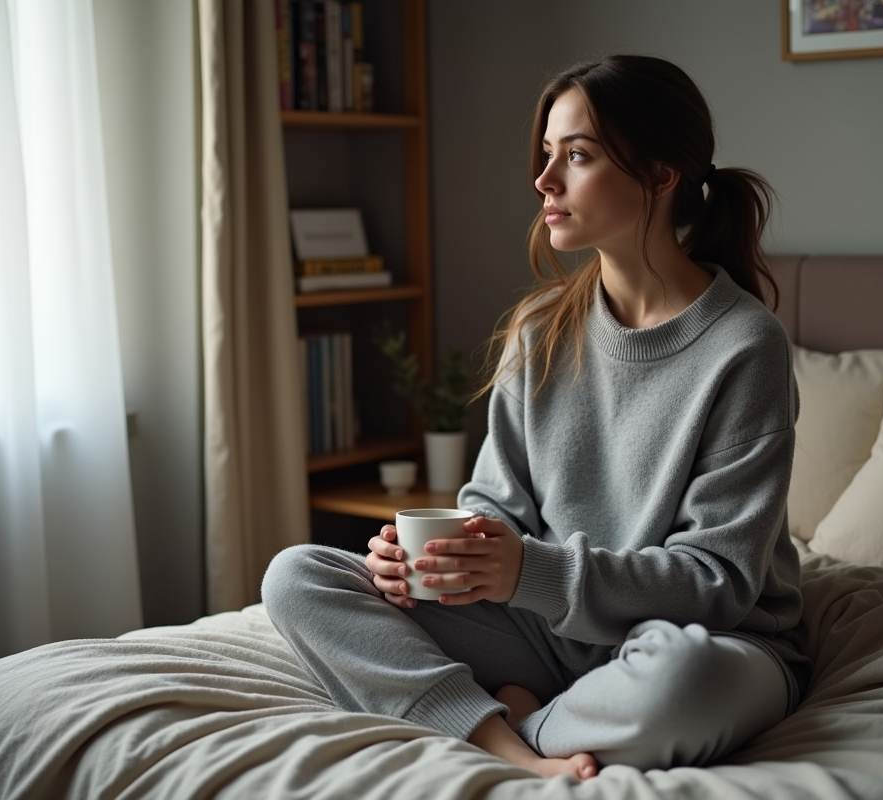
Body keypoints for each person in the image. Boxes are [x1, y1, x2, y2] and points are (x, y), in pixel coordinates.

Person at [263, 54, 810, 781]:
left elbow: (720, 580)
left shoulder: (745, 346)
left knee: (687, 683)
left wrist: (532, 571)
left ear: (660, 173)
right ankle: (503, 742)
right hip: (539, 629)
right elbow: (493, 506)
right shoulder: (541, 329)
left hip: (700, 634)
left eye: (576, 156)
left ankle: (521, 718)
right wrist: (426, 567)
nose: (544, 181)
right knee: (298, 576)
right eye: (547, 154)